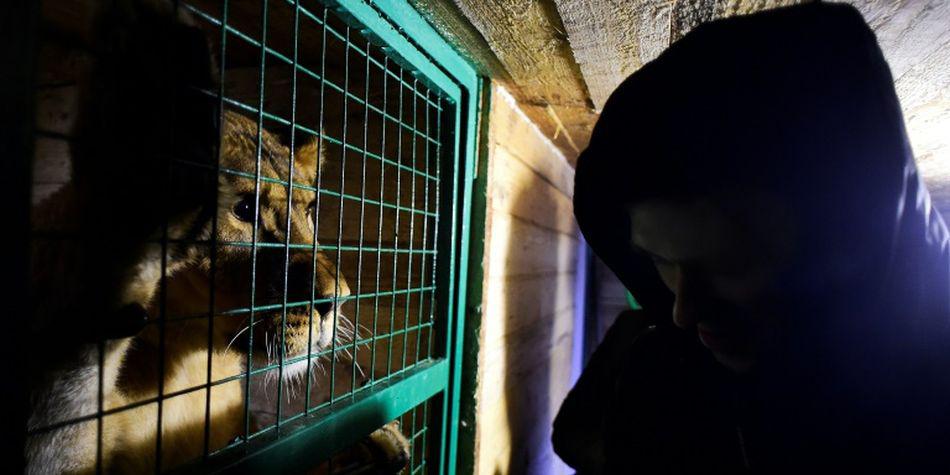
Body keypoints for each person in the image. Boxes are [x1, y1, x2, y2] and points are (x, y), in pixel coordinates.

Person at [552, 3, 950, 473]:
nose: (684, 309)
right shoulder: (662, 364)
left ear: (842, 242)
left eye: (732, 262)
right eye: (659, 258)